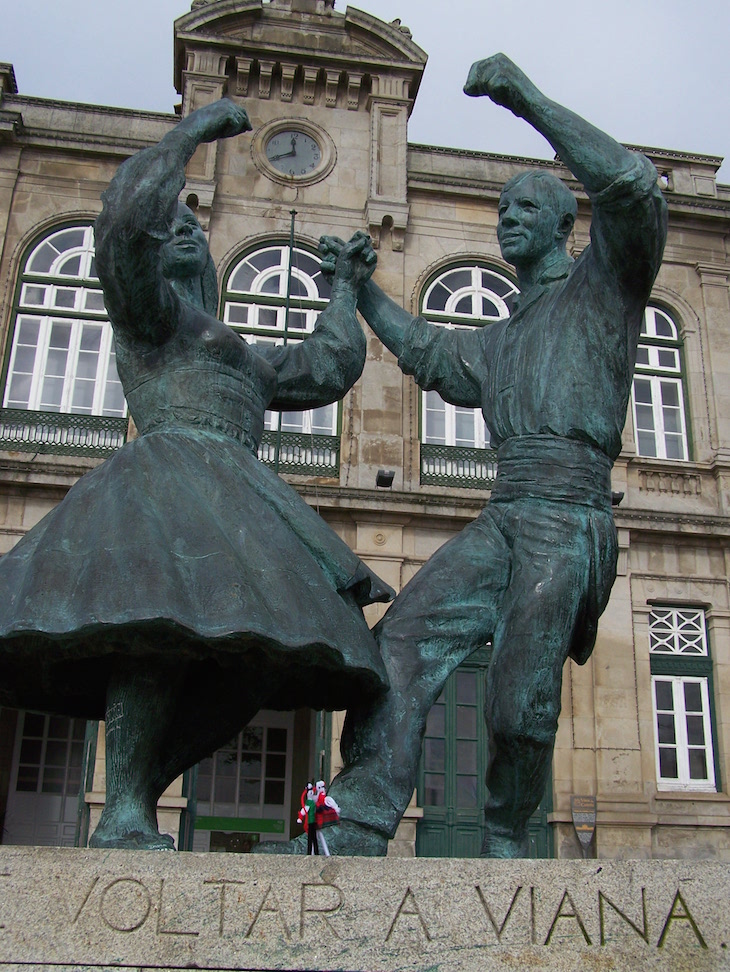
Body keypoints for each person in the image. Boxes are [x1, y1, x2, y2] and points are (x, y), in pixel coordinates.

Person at [0, 98, 393, 850]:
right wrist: (193, 134)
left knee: (260, 662)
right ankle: (122, 811)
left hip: (239, 496)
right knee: (154, 632)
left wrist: (343, 288)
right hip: (167, 478)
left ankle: (137, 795)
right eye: (171, 228)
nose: (182, 232)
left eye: (193, 231)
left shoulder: (244, 354)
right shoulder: (149, 318)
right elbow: (121, 224)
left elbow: (328, 364)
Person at [303, 54, 668, 857]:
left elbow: (634, 188)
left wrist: (524, 98)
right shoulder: (502, 339)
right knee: (400, 640)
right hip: (505, 513)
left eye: (523, 205)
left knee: (517, 706)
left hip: (568, 516)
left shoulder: (607, 285)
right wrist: (361, 292)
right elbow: (431, 354)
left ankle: (508, 835)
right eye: (500, 208)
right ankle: (359, 821)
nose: (505, 218)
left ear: (563, 222)